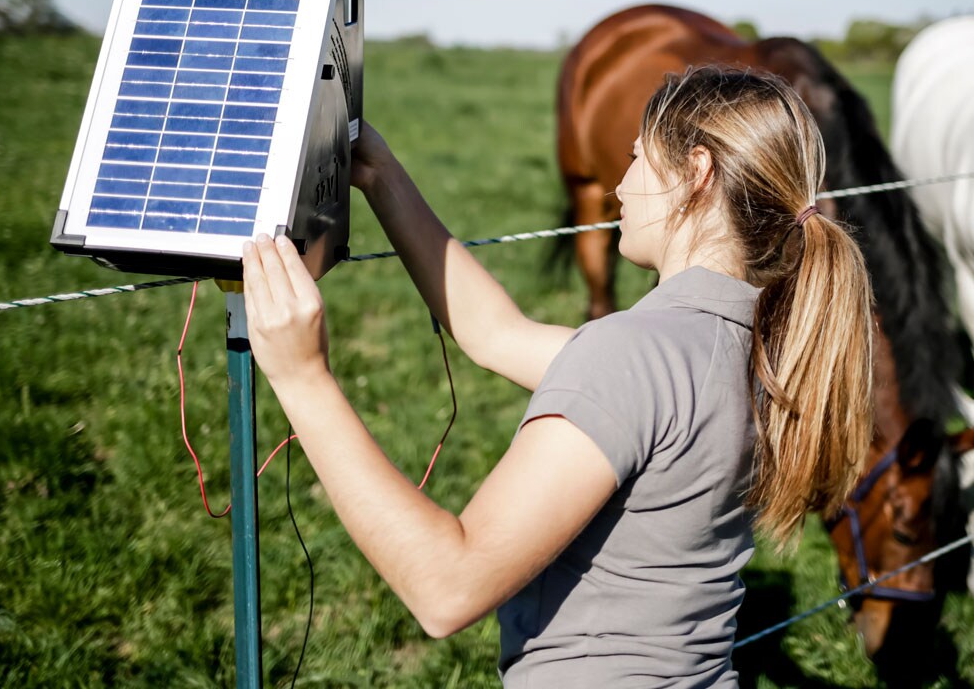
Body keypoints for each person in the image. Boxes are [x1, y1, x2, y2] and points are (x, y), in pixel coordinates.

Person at [241, 65, 874, 687]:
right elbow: (494, 334)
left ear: (696, 174)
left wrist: (303, 378)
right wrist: (381, 177)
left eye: (636, 158)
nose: (617, 188)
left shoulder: (632, 353)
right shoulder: (761, 353)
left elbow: (446, 588)